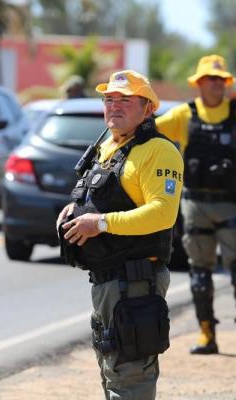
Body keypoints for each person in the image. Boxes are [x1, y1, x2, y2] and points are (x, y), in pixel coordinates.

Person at [56, 70, 183, 399]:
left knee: (130, 379)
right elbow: (97, 195)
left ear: (148, 109)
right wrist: (74, 211)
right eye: (109, 99)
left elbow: (163, 213)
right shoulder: (110, 146)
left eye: (126, 100)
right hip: (108, 282)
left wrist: (99, 223)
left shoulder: (158, 151)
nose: (114, 106)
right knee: (114, 372)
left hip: (135, 284)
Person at [155, 54, 236, 358]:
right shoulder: (184, 114)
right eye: (210, 79)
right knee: (200, 275)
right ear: (199, 84)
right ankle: (207, 335)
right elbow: (151, 133)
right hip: (195, 203)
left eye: (221, 79)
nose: (217, 84)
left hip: (231, 203)